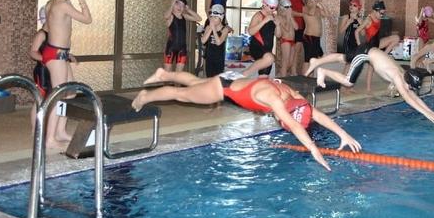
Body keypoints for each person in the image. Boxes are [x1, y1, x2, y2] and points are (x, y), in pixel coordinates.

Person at [133, 70, 361, 171]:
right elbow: (293, 125)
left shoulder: (292, 96)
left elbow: (315, 113)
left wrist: (343, 134)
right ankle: (146, 95)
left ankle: (164, 74)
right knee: (181, 94)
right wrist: (314, 150)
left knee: (194, 82)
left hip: (233, 79)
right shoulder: (275, 99)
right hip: (223, 88)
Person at [305, 48, 434, 125]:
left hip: (370, 50)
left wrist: (432, 112)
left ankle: (316, 61)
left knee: (343, 58)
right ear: (408, 82)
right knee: (348, 82)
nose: (411, 89)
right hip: (366, 55)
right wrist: (427, 114)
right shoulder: (397, 76)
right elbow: (408, 98)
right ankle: (323, 71)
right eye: (411, 87)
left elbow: (413, 95)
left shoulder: (404, 75)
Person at [42, 0, 92, 149]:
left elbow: (49, 28)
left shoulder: (50, 4)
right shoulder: (63, 5)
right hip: (56, 55)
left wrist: (64, 51)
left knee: (70, 92)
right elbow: (87, 19)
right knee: (58, 96)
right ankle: (50, 139)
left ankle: (61, 131)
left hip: (57, 52)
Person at [238, 0, 279, 77]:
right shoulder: (258, 15)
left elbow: (278, 35)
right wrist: (264, 21)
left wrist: (278, 25)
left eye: (275, 7)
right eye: (272, 7)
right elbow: (250, 32)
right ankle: (245, 73)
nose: (274, 10)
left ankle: (259, 87)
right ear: (264, 4)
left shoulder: (274, 17)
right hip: (256, 47)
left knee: (265, 74)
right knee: (269, 58)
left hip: (267, 50)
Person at [163, 0, 202, 73]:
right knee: (167, 74)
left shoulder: (184, 16)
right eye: (177, 4)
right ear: (173, 4)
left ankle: (177, 85)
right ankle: (168, 85)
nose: (180, 7)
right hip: (170, 49)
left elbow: (199, 18)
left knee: (179, 76)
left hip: (182, 49)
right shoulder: (171, 16)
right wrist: (171, 5)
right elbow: (165, 16)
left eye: (182, 5)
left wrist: (189, 10)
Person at [301, 0, 331, 75]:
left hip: (316, 38)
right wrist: (314, 3)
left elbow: (327, 14)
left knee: (313, 60)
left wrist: (322, 3)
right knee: (307, 60)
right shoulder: (305, 7)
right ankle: (304, 79)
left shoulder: (318, 8)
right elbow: (311, 13)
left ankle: (309, 79)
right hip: (309, 37)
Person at [202, 4, 232, 78]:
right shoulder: (209, 27)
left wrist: (214, 29)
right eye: (212, 17)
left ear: (221, 18)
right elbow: (203, 41)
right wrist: (210, 29)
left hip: (219, 59)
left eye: (215, 17)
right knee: (209, 79)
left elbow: (219, 42)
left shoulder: (225, 29)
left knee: (217, 80)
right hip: (209, 58)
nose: (212, 19)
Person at [286, 0, 306, 74]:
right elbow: (289, 11)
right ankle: (290, 72)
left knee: (296, 51)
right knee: (294, 51)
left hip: (300, 26)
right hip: (295, 26)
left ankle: (293, 72)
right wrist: (303, 14)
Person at [276, 0, 297, 77]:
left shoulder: (290, 17)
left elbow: (296, 27)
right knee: (285, 61)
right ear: (282, 8)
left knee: (290, 62)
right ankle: (282, 80)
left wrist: (291, 18)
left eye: (290, 7)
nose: (289, 9)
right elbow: (287, 29)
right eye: (287, 7)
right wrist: (288, 18)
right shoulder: (280, 18)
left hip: (292, 41)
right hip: (285, 41)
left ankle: (281, 75)